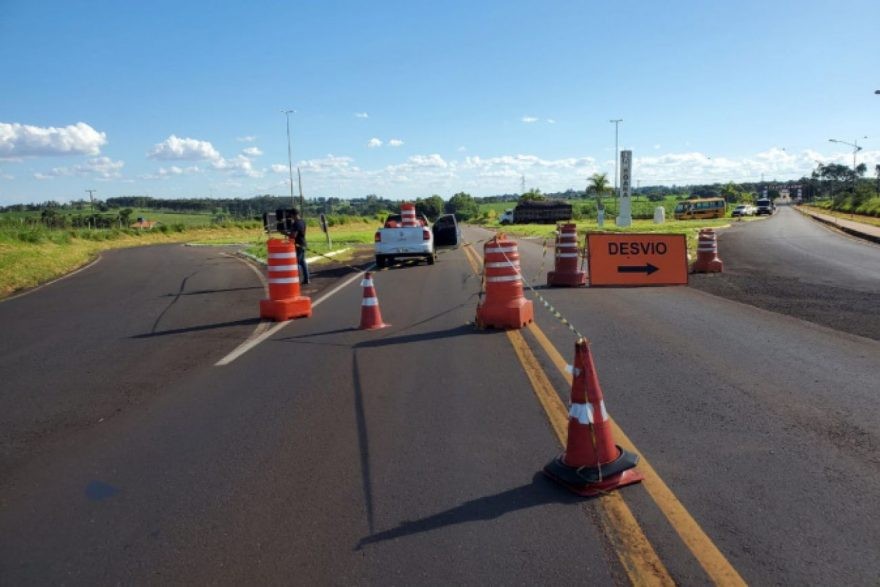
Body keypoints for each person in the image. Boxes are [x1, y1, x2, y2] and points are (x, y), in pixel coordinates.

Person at [289, 208, 309, 284]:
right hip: (303, 243)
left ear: (293, 215)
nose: (290, 217)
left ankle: (295, 280)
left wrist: (286, 233)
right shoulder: (303, 222)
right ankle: (307, 279)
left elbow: (293, 236)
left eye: (291, 215)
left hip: (298, 245)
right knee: (302, 262)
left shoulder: (296, 223)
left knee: (296, 263)